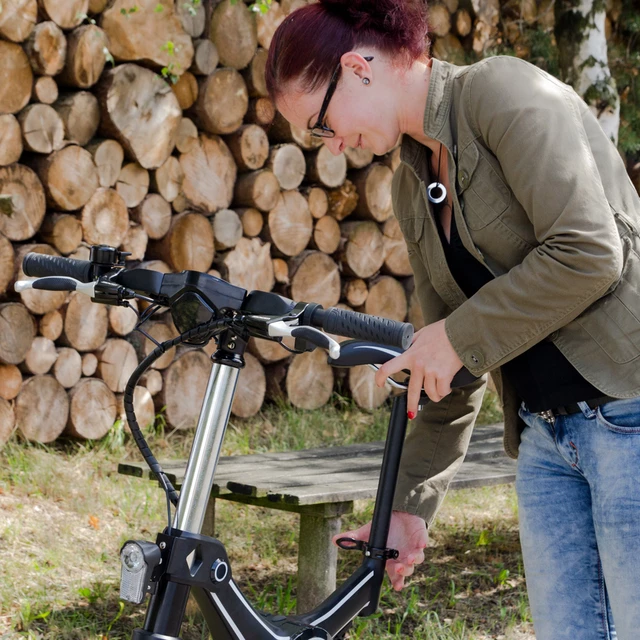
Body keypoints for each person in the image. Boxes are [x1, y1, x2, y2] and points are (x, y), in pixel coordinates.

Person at [265, 1, 640, 638]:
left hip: (627, 415)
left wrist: (456, 339)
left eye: (321, 123)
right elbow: (448, 367)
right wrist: (411, 508)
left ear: (357, 68)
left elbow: (590, 251)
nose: (329, 145)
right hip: (545, 442)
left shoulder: (503, 91)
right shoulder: (411, 186)